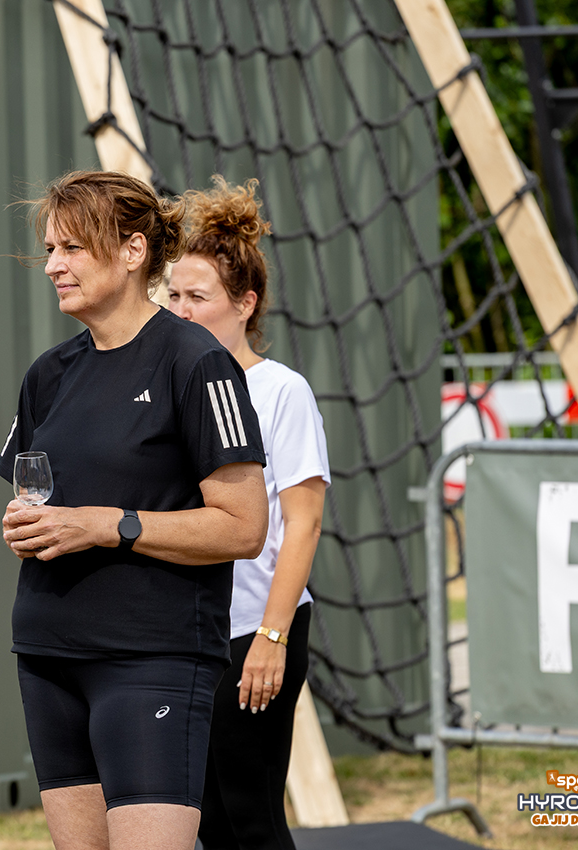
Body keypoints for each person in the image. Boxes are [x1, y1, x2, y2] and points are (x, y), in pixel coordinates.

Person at [0, 170, 269, 850]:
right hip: (48, 656)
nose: (53, 266)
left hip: (152, 658)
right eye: (51, 249)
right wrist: (27, 524)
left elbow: (244, 526)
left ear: (132, 250)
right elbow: (34, 497)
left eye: (72, 248)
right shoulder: (48, 374)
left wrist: (105, 525)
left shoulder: (197, 362)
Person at [167, 177, 329, 850]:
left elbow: (303, 522)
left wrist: (271, 637)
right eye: (172, 295)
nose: (180, 311)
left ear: (244, 303)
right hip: (185, 632)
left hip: (251, 630)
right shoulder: (168, 386)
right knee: (202, 817)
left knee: (249, 817)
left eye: (197, 297)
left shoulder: (280, 391)